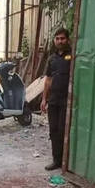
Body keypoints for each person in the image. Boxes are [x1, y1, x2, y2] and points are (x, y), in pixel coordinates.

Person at [41, 28, 72, 171]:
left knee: (62, 130)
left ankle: (65, 161)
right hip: (53, 100)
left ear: (67, 40)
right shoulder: (52, 59)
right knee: (53, 130)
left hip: (67, 100)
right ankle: (56, 160)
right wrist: (44, 99)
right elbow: (48, 80)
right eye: (57, 38)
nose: (60, 41)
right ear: (54, 40)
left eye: (62, 38)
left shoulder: (72, 56)